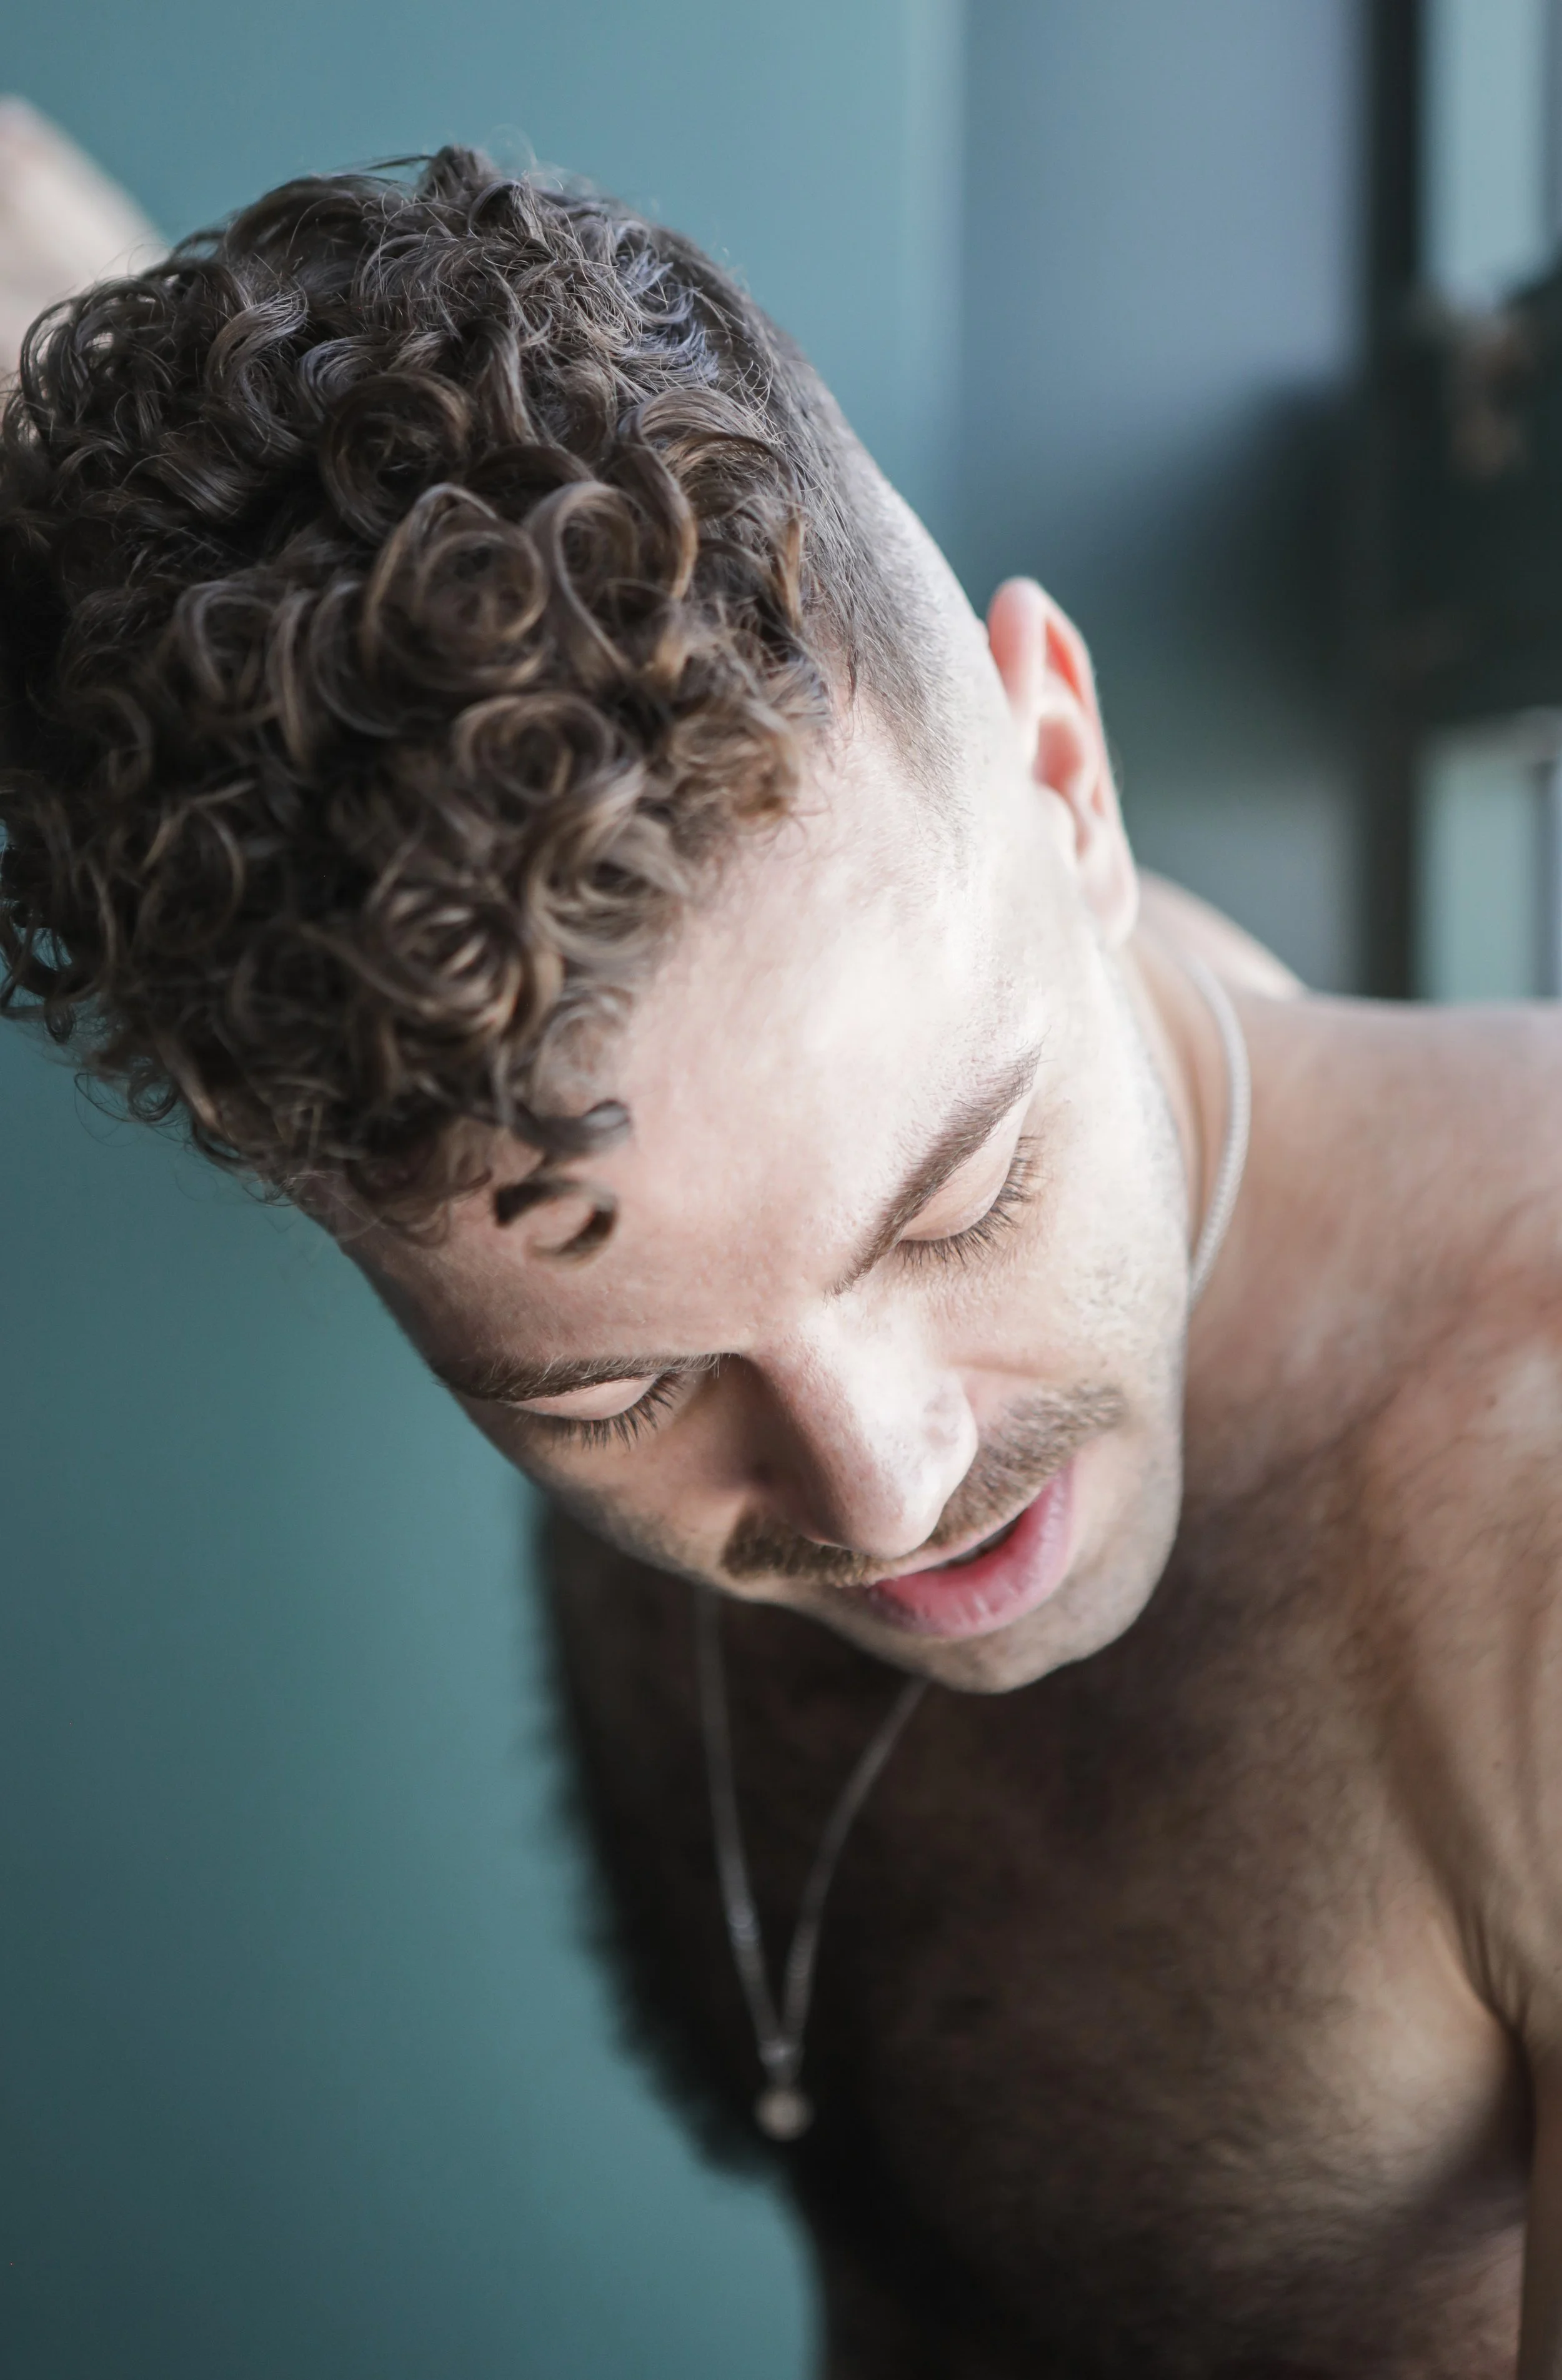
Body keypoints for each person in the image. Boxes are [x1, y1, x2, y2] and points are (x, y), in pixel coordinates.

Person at [2, 146, 1557, 2379]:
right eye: (619, 1395)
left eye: (954, 1200)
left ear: (1064, 769)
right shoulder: (357, 889)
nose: (884, 1488)